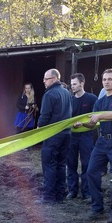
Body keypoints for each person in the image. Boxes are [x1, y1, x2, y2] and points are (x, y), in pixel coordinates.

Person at [77, 69, 112, 223]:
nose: (106, 82)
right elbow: (94, 124)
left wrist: (100, 115)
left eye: (110, 79)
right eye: (104, 80)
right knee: (91, 172)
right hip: (102, 142)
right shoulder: (100, 101)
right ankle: (97, 208)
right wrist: (82, 124)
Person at [36, 68, 72, 204]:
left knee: (49, 165)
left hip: (52, 135)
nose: (44, 82)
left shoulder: (50, 94)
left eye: (46, 79)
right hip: (66, 134)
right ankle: (59, 196)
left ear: (55, 79)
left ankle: (48, 197)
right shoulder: (66, 93)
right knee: (61, 165)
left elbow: (45, 115)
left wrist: (38, 129)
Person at [66, 73, 98, 200]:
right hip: (72, 136)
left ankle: (86, 191)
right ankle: (72, 191)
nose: (72, 86)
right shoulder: (70, 100)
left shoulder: (92, 99)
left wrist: (84, 124)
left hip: (87, 135)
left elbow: (95, 118)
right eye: (71, 84)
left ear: (82, 83)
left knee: (87, 163)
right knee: (71, 163)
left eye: (74, 84)